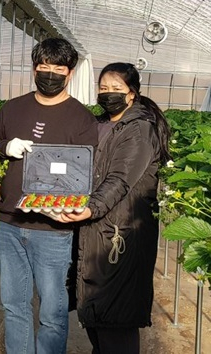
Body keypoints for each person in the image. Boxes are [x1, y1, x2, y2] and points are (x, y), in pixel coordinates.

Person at [53, 62, 171, 354]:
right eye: (103, 88)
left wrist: (90, 208)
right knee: (97, 312)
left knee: (116, 317)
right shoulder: (100, 124)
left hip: (121, 232)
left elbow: (120, 179)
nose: (108, 93)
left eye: (116, 88)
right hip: (97, 227)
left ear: (132, 93)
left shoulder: (139, 129)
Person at [0, 37, 99, 354]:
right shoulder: (12, 109)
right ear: (34, 69)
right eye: (43, 67)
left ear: (70, 73)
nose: (50, 74)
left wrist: (62, 204)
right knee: (14, 306)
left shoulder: (81, 119)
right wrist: (4, 147)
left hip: (53, 228)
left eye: (58, 69)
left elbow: (84, 174)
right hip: (10, 222)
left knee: (52, 312)